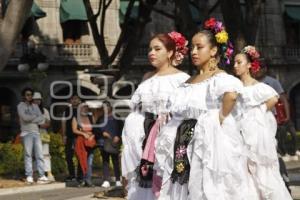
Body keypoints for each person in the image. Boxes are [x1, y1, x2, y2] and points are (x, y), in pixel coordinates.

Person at [155, 18, 258, 200]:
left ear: (213, 51)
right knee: (183, 186)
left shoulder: (219, 78)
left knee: (207, 186)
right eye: (192, 47)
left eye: (199, 47)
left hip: (208, 142)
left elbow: (232, 94)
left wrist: (217, 118)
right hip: (183, 141)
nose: (193, 52)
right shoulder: (188, 81)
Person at [121, 32, 190, 200]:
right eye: (150, 49)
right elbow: (136, 110)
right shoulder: (146, 78)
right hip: (140, 140)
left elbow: (186, 114)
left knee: (165, 184)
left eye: (157, 49)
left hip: (167, 140)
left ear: (170, 52)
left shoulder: (182, 79)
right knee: (141, 186)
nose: (151, 52)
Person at [234, 45, 292, 199]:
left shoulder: (259, 87)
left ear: (248, 65)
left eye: (239, 62)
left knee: (261, 167)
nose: (235, 66)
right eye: (234, 63)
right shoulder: (235, 87)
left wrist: (256, 112)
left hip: (256, 132)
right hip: (239, 130)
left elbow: (274, 98)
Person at [260, 73, 299, 161]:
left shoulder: (283, 99)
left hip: (285, 118)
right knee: (281, 135)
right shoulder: (275, 100)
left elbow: (286, 103)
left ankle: (293, 150)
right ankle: (283, 152)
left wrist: (288, 116)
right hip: (276, 118)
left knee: (293, 133)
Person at [17, 87, 49, 184]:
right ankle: (29, 176)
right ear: (23, 96)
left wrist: (33, 118)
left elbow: (42, 119)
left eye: (31, 95)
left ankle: (42, 175)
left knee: (39, 155)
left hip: (36, 132)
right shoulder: (20, 106)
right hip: (26, 132)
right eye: (27, 95)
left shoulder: (35, 106)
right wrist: (35, 117)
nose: (29, 96)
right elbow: (24, 118)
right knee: (28, 155)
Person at [96, 100, 122, 188]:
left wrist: (118, 136)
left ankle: (118, 180)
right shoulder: (100, 118)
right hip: (103, 143)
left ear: (110, 107)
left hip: (114, 142)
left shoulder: (117, 117)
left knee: (115, 162)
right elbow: (95, 129)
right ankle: (106, 180)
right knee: (105, 162)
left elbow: (122, 129)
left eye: (107, 106)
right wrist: (102, 133)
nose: (105, 108)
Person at [32, 92, 55, 182]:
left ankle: (49, 172)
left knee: (45, 154)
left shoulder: (45, 111)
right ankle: (35, 172)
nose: (37, 101)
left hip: (43, 133)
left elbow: (48, 123)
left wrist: (40, 125)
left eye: (38, 99)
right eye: (35, 100)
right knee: (34, 154)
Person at [72, 103, 95, 187]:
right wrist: (83, 134)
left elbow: (94, 129)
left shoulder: (90, 117)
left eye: (86, 107)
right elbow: (74, 130)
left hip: (90, 141)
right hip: (80, 141)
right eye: (83, 107)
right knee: (81, 160)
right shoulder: (76, 118)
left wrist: (92, 136)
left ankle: (88, 180)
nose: (85, 109)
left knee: (90, 162)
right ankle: (81, 180)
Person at [61, 94, 83, 182]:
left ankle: (80, 176)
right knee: (69, 156)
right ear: (70, 100)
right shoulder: (66, 111)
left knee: (79, 156)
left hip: (80, 137)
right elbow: (63, 123)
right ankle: (72, 175)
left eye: (76, 99)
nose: (74, 100)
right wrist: (64, 136)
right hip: (69, 136)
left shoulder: (82, 110)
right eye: (72, 99)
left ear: (79, 101)